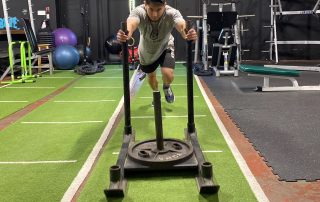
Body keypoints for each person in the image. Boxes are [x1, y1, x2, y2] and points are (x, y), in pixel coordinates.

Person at [117, 0, 197, 104]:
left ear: (165, 4)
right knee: (151, 77)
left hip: (165, 46)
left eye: (159, 10)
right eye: (151, 9)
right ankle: (156, 93)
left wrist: (189, 34)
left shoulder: (172, 13)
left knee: (168, 74)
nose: (154, 14)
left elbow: (182, 27)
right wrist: (125, 35)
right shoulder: (139, 12)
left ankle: (166, 87)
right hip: (147, 51)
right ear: (145, 4)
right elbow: (130, 25)